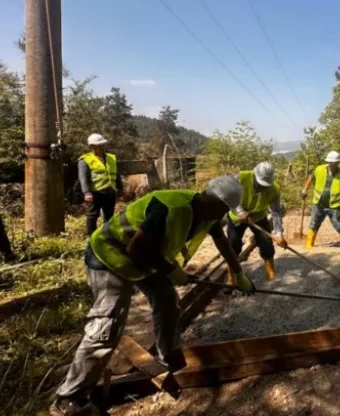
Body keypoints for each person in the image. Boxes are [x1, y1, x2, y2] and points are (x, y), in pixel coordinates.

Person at [49, 176, 255, 416]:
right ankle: (68, 398)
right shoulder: (170, 208)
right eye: (223, 209)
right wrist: (171, 270)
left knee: (167, 301)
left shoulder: (207, 213)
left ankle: (167, 355)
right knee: (107, 325)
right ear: (211, 199)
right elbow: (136, 247)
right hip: (110, 257)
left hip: (145, 261)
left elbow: (221, 241)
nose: (223, 215)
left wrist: (237, 273)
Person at [227, 162, 287, 281]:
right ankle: (232, 276)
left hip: (258, 216)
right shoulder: (240, 178)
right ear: (254, 175)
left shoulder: (274, 189)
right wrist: (240, 211)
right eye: (260, 184)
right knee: (233, 245)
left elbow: (275, 212)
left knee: (267, 245)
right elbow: (228, 194)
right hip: (237, 216)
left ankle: (270, 271)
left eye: (265, 185)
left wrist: (279, 234)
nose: (262, 187)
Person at [78, 133, 122, 236]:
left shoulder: (111, 158)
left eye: (102, 145)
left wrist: (119, 188)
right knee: (92, 215)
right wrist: (87, 193)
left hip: (110, 191)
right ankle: (91, 237)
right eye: (98, 145)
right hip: (95, 192)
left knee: (109, 214)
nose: (102, 147)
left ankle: (107, 235)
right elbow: (83, 178)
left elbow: (116, 174)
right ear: (92, 147)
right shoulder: (85, 160)